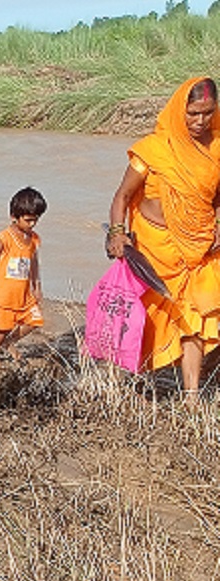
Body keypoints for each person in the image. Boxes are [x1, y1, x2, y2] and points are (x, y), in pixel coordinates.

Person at [106, 77, 220, 402]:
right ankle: (128, 381)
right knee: (143, 317)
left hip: (200, 250)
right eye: (194, 113)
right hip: (154, 250)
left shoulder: (217, 147)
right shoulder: (153, 149)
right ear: (178, 110)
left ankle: (192, 397)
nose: (201, 121)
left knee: (196, 320)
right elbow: (123, 196)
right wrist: (117, 233)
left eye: (208, 113)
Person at [0, 187, 46, 365]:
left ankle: (9, 343)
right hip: (4, 295)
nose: (32, 224)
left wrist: (36, 287)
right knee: (3, 328)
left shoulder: (33, 239)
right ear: (14, 216)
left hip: (24, 293)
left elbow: (34, 263)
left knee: (35, 320)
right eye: (28, 220)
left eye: (35, 220)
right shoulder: (4, 238)